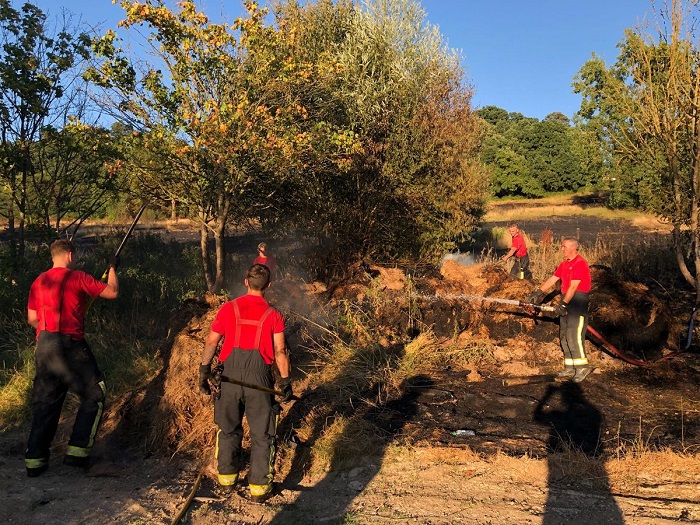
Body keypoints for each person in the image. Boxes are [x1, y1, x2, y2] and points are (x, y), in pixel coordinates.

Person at [25, 239, 119, 477]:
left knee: (45, 402)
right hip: (71, 344)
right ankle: (78, 453)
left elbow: (32, 319)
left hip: (44, 344)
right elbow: (112, 292)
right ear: (69, 255)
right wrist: (113, 269)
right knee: (96, 392)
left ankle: (35, 462)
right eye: (74, 256)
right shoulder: (77, 277)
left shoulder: (39, 281)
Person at [198, 263, 292, 503]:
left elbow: (211, 341)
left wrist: (204, 370)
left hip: (229, 378)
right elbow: (280, 351)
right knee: (262, 435)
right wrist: (284, 382)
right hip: (259, 379)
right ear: (268, 286)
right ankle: (259, 490)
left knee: (228, 429)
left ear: (246, 282)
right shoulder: (274, 314)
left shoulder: (229, 308)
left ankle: (227, 482)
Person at [527, 237, 592, 383]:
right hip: (567, 300)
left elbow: (574, 287)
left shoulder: (580, 263)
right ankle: (570, 367)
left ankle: (582, 367)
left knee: (574, 336)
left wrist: (563, 304)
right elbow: (553, 279)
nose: (561, 249)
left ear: (572, 248)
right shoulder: (564, 264)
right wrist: (538, 293)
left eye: (564, 246)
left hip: (577, 302)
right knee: (564, 335)